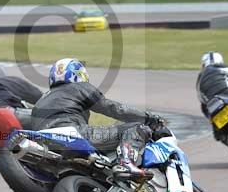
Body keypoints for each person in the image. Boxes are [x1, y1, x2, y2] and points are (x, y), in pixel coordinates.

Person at [30, 58, 163, 179]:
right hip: (74, 134)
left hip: (45, 143)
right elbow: (115, 109)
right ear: (79, 74)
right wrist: (148, 118)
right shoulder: (80, 87)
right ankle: (126, 163)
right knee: (137, 128)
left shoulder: (39, 102)